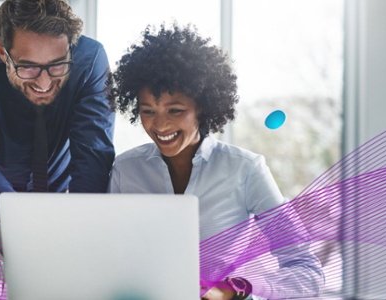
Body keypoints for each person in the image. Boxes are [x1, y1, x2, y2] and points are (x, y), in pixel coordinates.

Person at [107, 24, 323, 300]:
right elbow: (110, 256)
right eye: (148, 111)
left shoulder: (244, 170)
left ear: (203, 107)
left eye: (175, 110)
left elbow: (307, 270)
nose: (160, 124)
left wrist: (237, 290)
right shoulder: (126, 170)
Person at [0, 0, 115, 248]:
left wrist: (82, 229)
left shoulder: (89, 61)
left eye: (57, 64)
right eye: (27, 67)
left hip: (65, 209)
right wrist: (28, 227)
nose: (44, 82)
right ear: (1, 51)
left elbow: (93, 154)